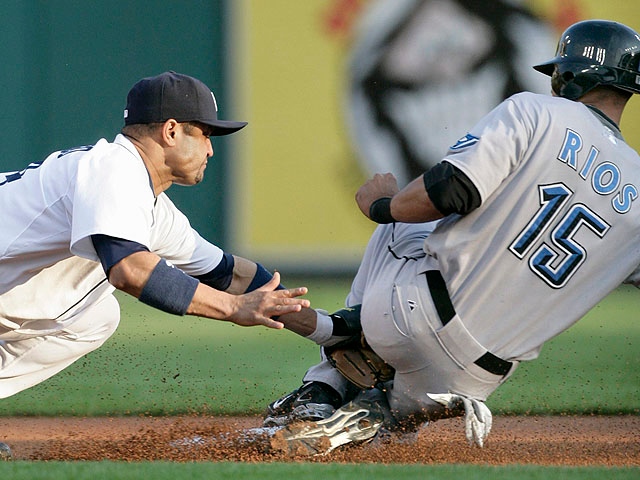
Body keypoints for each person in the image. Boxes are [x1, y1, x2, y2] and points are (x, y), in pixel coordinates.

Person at [265, 19, 640, 454]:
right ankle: (375, 414)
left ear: (569, 75)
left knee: (402, 222)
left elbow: (448, 191)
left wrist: (381, 205)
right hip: (475, 376)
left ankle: (325, 384)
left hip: (410, 319)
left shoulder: (537, 111)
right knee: (403, 405)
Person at [0, 71, 310, 459]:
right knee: (97, 305)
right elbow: (129, 269)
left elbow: (227, 272)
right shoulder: (115, 169)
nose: (211, 150)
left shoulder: (148, 203)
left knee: (95, 316)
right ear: (171, 131)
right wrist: (231, 309)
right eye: (205, 134)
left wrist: (330, 332)